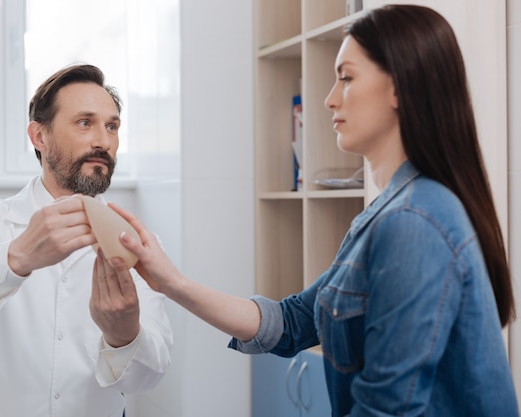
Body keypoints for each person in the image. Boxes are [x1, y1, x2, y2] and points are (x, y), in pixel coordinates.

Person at [105, 5, 519, 417]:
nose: (328, 99)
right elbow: (292, 321)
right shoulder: (388, 213)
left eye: (347, 78)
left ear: (399, 87)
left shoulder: (414, 221)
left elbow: (387, 409)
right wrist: (170, 282)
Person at [0, 64, 173, 417]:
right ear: (39, 137)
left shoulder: (138, 243)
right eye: (84, 122)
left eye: (112, 126)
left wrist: (125, 335)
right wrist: (16, 259)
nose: (103, 141)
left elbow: (149, 378)